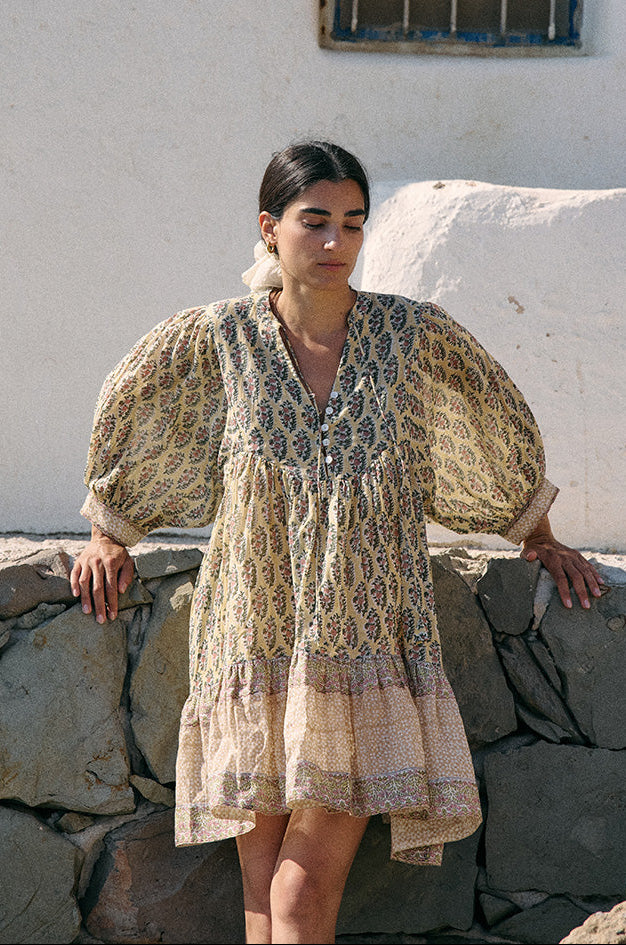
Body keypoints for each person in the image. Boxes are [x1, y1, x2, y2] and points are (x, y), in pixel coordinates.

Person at [71, 140, 603, 944]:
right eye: (314, 221)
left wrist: (539, 533)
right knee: (264, 900)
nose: (335, 243)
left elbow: (488, 423)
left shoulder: (409, 335)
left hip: (363, 652)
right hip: (250, 641)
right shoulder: (222, 341)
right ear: (269, 229)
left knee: (297, 894)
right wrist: (108, 527)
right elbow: (141, 411)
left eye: (352, 224)